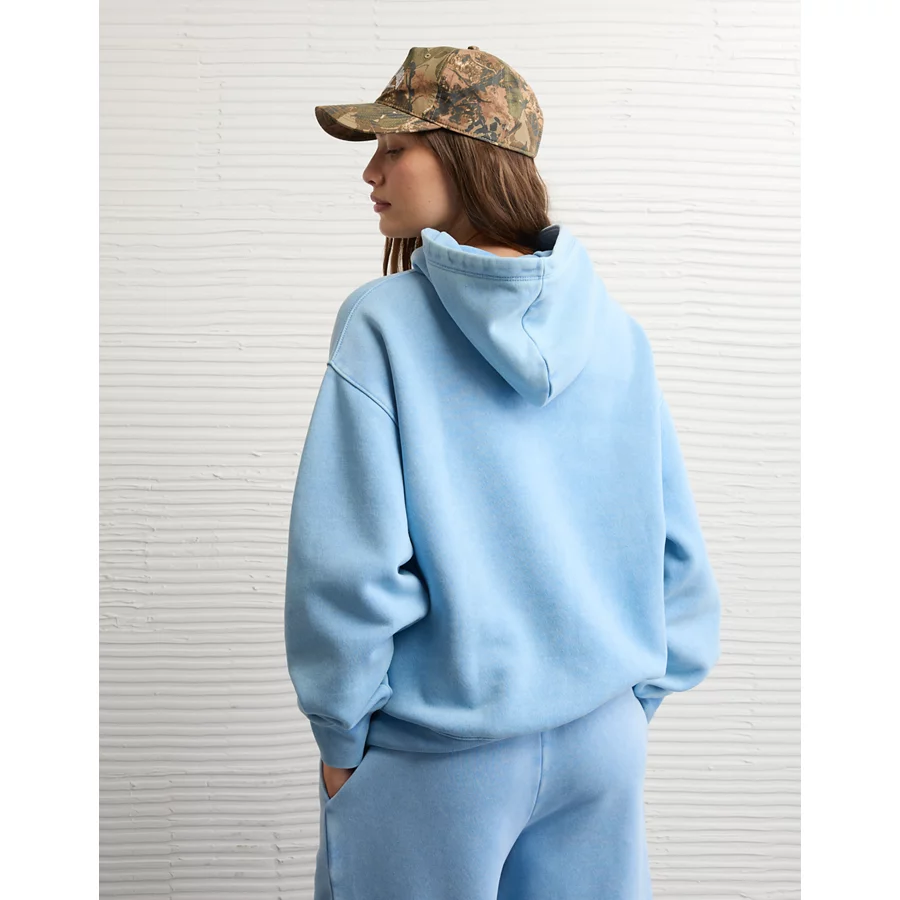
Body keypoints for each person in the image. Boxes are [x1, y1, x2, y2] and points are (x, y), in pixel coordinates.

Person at [284, 45, 721, 900]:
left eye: (394, 148)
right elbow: (677, 553)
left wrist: (341, 739)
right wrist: (631, 703)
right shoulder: (616, 332)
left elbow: (350, 566)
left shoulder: (382, 322)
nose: (371, 173)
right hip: (601, 744)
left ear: (463, 156)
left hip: (438, 758)